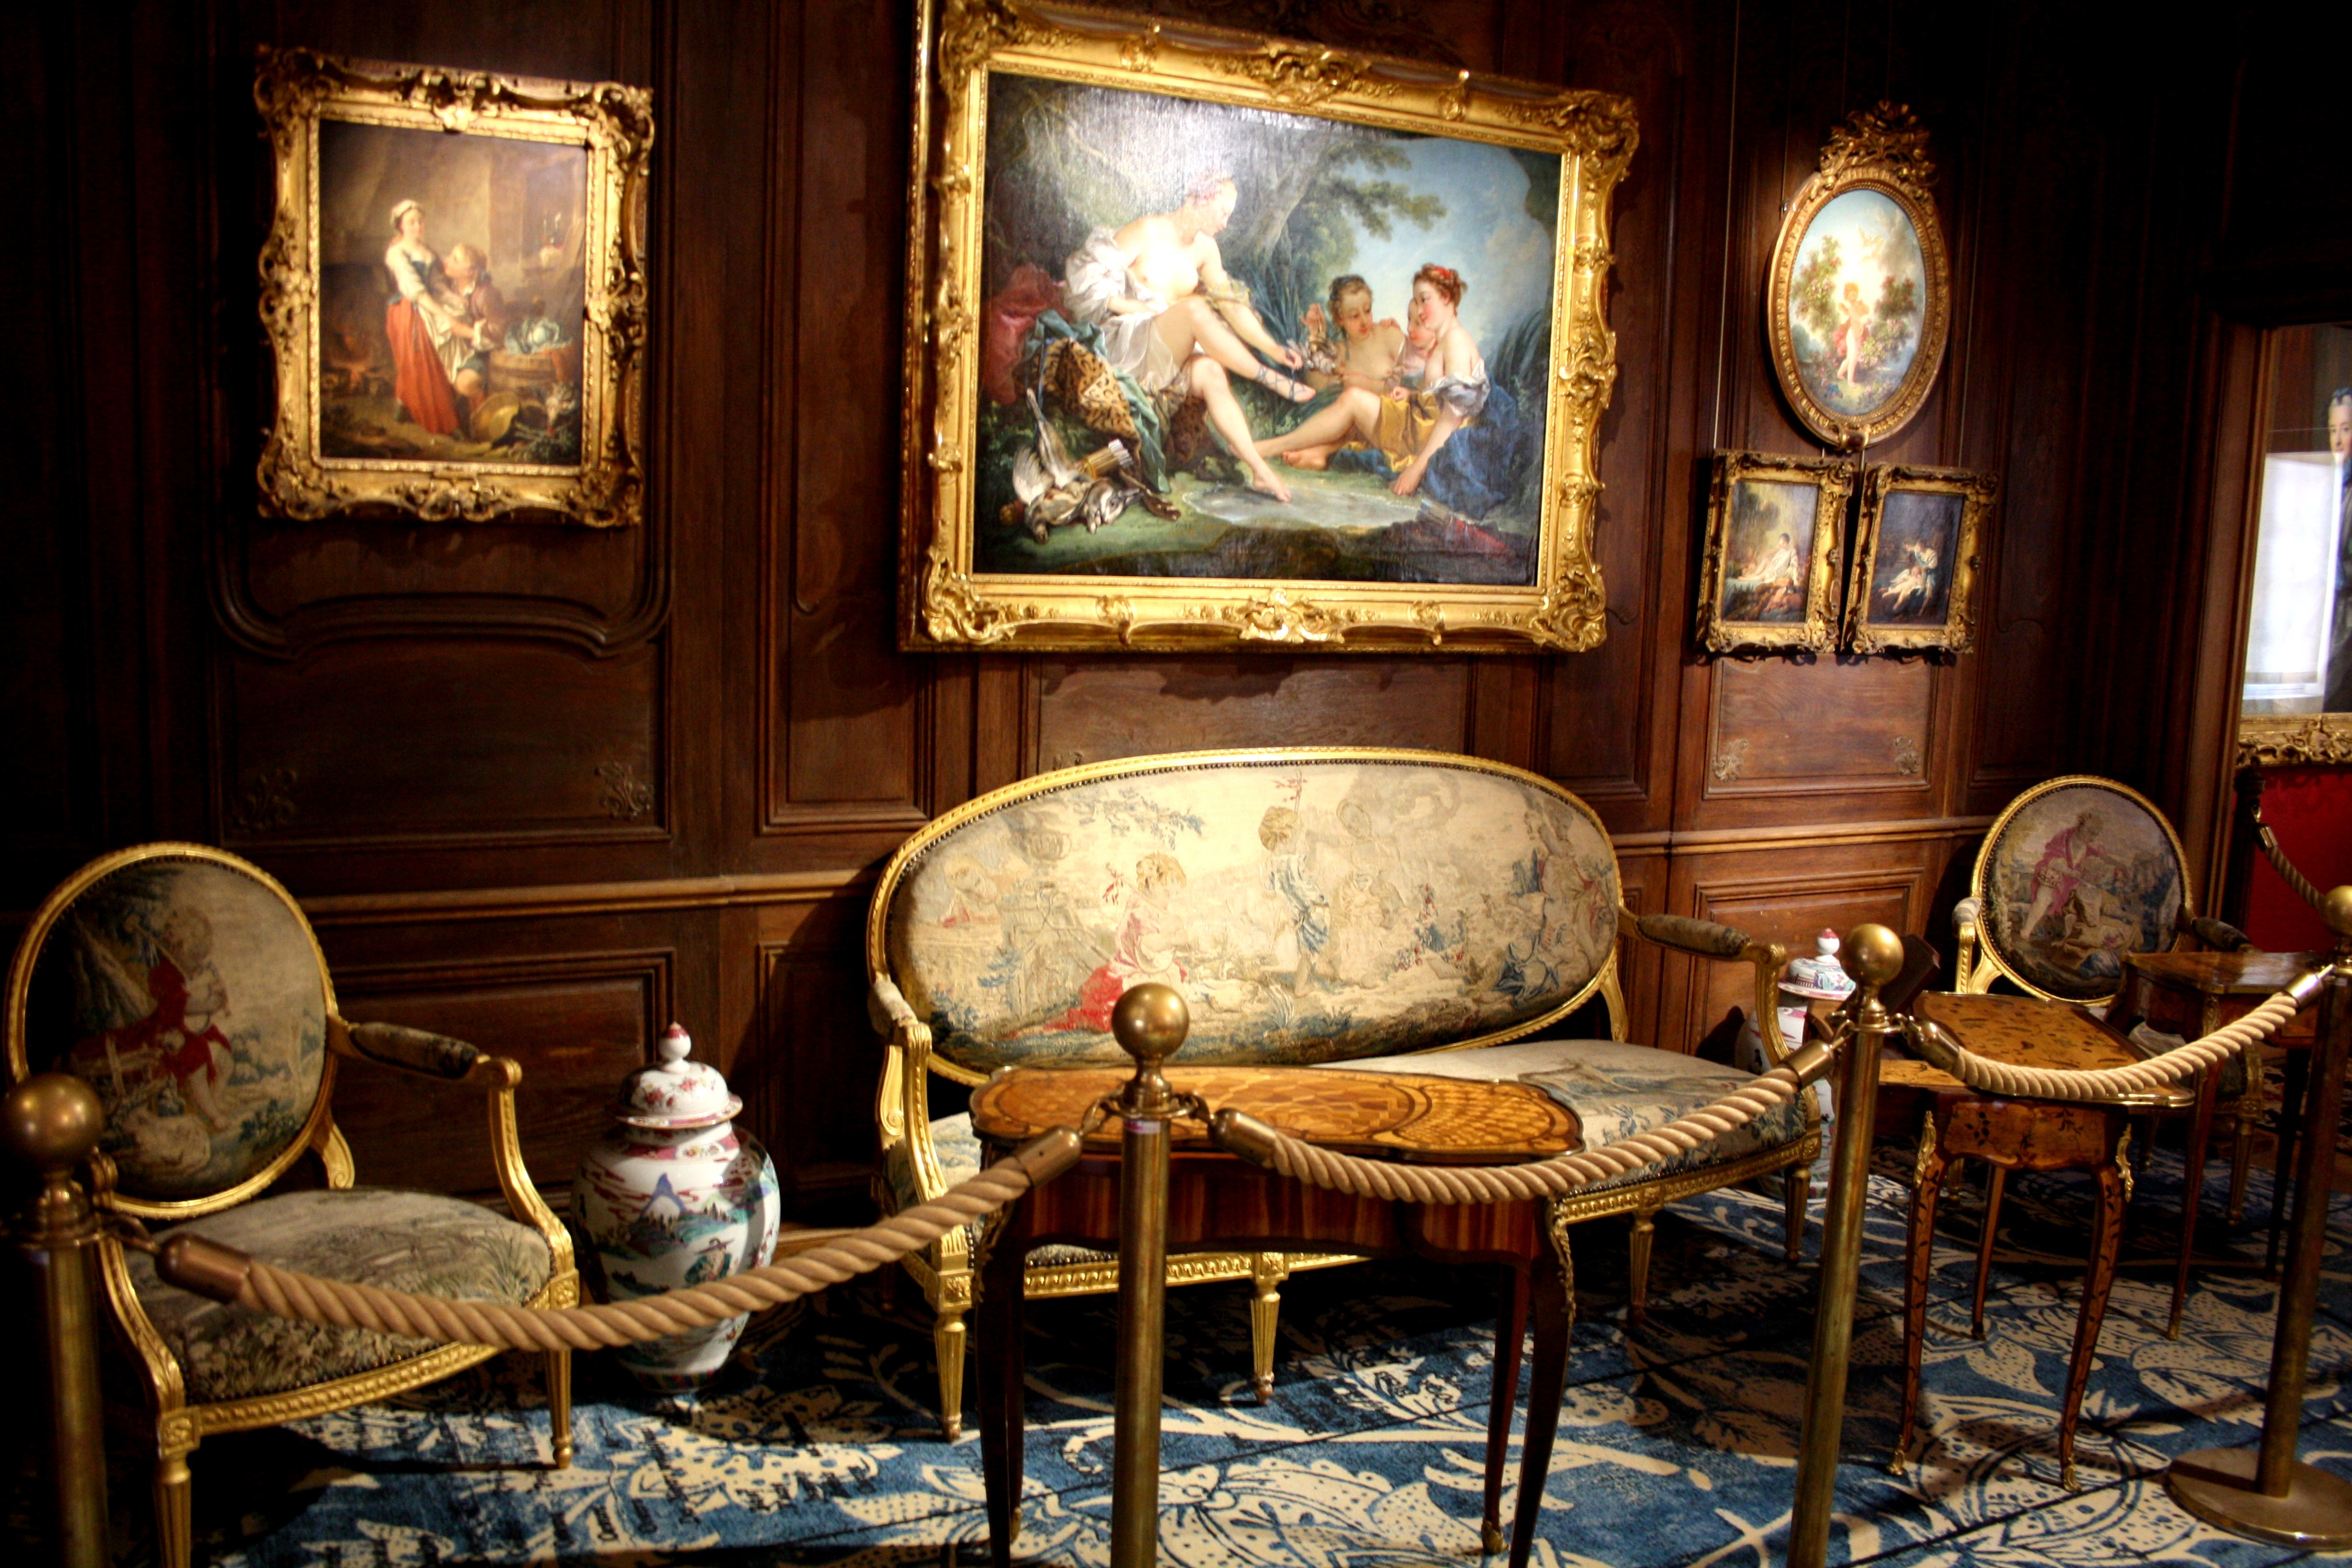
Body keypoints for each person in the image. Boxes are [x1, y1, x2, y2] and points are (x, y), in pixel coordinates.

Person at [1060, 171, 1313, 501]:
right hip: (1128, 345)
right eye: (1223, 212)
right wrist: (1134, 306)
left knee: (1211, 371)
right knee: (1194, 308)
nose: (1225, 223)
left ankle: (1260, 470)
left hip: (1169, 352)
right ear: (1204, 198)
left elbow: (1232, 306)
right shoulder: (1148, 230)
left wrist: (1274, 349)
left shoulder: (1206, 249)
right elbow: (1087, 280)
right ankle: (1271, 380)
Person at [1255, 264, 1492, 500]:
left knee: (1354, 400)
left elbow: (1453, 417)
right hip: (1419, 424)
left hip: (1426, 437)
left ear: (1446, 297)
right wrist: (1411, 395)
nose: (1419, 310)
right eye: (1416, 301)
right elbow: (1438, 398)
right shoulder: (1448, 338)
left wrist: (1416, 469)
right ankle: (1316, 452)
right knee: (1356, 401)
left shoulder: (1456, 340)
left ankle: (1271, 447)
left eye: (1424, 300)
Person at [1282, 275, 1408, 469]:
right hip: (1361, 428)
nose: (1364, 321)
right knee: (1344, 415)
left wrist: (1368, 385)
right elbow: (1318, 390)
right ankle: (1319, 453)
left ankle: (1317, 451)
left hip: (1397, 424)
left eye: (1367, 310)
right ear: (1340, 319)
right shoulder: (1338, 352)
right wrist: (1316, 337)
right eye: (1354, 316)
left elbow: (1413, 377)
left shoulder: (1389, 335)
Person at [381, 200, 465, 436]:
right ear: (401, 225)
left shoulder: (428, 252)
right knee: (424, 361)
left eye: (420, 221)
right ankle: (446, 423)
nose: (417, 226)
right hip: (407, 310)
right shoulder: (397, 253)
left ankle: (402, 404)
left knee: (458, 325)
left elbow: (436, 283)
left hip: (428, 302)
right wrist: (445, 314)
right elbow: (415, 291)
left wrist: (453, 297)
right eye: (411, 222)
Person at [433, 242, 508, 410]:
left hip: (483, 354)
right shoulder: (451, 287)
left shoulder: (486, 294)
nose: (447, 260)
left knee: (464, 384)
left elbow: (500, 332)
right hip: (457, 351)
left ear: (470, 272)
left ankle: (484, 415)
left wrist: (466, 332)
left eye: (455, 259)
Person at [2322, 388, 2352, 710]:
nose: (2338, 440)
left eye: (2346, 429)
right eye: (2333, 431)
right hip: (2327, 605)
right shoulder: (2331, 482)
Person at [1834, 279, 1871, 389]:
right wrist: (1866, 321)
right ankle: (1850, 380)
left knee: (1849, 358)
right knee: (1854, 358)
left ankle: (1840, 374)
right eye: (1850, 296)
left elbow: (1867, 311)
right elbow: (1857, 319)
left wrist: (1862, 304)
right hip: (1851, 335)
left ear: (1857, 294)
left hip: (1857, 334)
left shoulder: (1858, 305)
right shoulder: (1851, 309)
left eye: (1854, 295)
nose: (1853, 298)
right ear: (1847, 298)